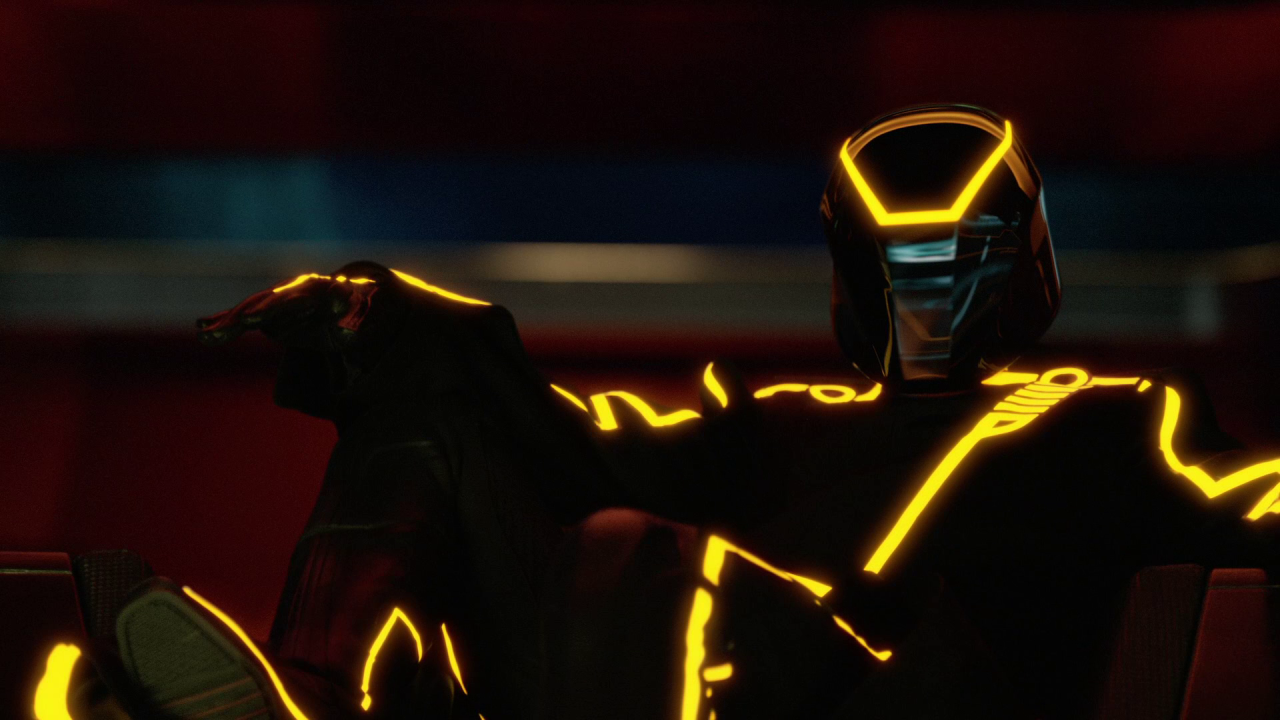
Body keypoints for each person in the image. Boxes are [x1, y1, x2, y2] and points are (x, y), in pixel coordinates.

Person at [64, 105, 1280, 720]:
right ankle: (310, 700)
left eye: (952, 262)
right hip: (677, 674)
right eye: (897, 265)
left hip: (904, 697)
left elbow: (1254, 501)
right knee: (439, 418)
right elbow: (565, 443)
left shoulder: (1115, 418)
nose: (924, 301)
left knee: (635, 560)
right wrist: (391, 324)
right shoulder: (778, 417)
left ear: (1013, 264)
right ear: (855, 268)